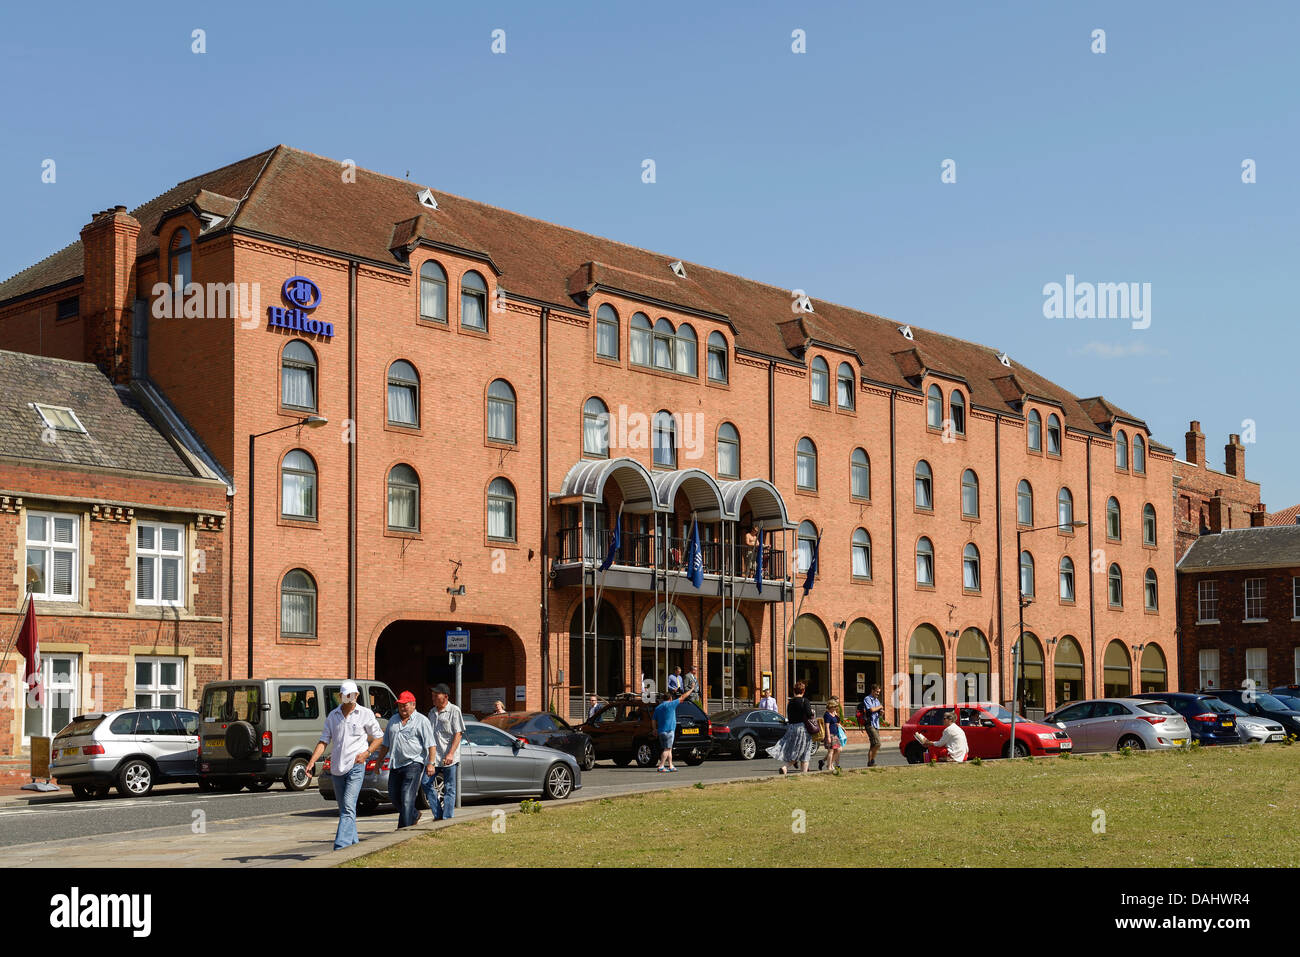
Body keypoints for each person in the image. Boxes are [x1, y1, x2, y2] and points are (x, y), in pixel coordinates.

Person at [303, 680, 383, 850]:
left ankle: (340, 846)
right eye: (346, 695)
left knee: (348, 805)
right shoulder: (333, 716)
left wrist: (367, 753)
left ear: (357, 695)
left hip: (356, 766)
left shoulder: (365, 714)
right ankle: (353, 845)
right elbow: (324, 741)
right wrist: (311, 762)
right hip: (337, 768)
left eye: (353, 695)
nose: (350, 698)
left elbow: (379, 737)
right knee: (346, 809)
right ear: (340, 696)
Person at [372, 691, 436, 829]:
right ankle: (413, 814)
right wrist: (378, 761)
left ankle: (403, 829)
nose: (402, 708)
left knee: (407, 798)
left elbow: (431, 744)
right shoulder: (393, 720)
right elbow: (386, 744)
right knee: (394, 797)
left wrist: (431, 763)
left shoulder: (422, 721)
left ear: (413, 704)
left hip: (413, 763)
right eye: (400, 705)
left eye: (405, 705)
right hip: (395, 764)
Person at [422, 683, 466, 819]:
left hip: (449, 758)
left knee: (449, 788)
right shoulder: (432, 712)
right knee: (425, 783)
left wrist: (451, 753)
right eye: (432, 695)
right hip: (434, 758)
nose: (433, 698)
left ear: (445, 696)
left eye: (436, 695)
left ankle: (446, 818)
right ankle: (438, 814)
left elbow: (458, 733)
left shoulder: (454, 710)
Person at [769, 681, 813, 774]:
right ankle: (787, 768)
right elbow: (809, 714)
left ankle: (803, 773)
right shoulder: (805, 701)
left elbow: (790, 716)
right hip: (802, 728)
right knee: (804, 750)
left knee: (797, 749)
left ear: (794, 691)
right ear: (803, 691)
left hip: (792, 728)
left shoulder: (790, 702)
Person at [653, 686, 694, 772]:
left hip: (661, 731)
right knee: (667, 749)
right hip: (669, 731)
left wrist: (654, 729)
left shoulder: (658, 708)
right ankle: (661, 766)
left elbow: (653, 720)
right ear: (670, 698)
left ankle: (671, 765)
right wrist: (692, 689)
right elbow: (683, 696)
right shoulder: (671, 704)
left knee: (669, 748)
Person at [819, 697, 843, 772]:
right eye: (835, 707)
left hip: (835, 734)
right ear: (831, 706)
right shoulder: (827, 715)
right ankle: (829, 767)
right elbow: (827, 726)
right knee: (831, 751)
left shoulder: (833, 714)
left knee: (839, 749)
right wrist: (828, 737)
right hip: (830, 735)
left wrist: (841, 726)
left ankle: (830, 763)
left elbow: (837, 722)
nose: (836, 708)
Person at [862, 683, 884, 767]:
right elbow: (871, 709)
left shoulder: (877, 700)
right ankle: (872, 760)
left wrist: (881, 712)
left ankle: (870, 762)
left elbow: (877, 712)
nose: (878, 694)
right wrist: (880, 707)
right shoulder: (867, 699)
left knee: (873, 744)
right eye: (877, 692)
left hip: (876, 724)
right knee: (877, 743)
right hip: (869, 724)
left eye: (879, 692)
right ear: (872, 690)